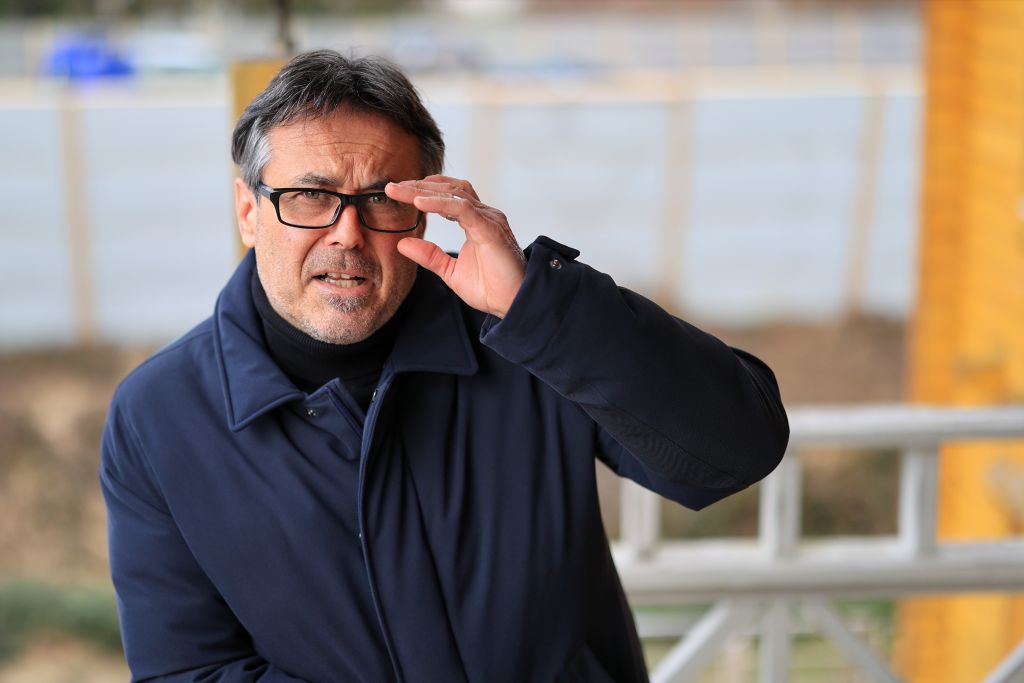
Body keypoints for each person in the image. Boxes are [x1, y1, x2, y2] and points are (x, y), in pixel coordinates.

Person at [100, 49, 789, 683]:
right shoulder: (159, 416)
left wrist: (538, 310)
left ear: (423, 216)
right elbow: (187, 670)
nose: (348, 234)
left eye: (382, 200)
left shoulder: (528, 339)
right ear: (249, 212)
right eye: (310, 196)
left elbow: (737, 449)